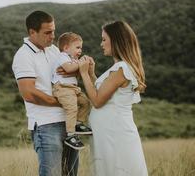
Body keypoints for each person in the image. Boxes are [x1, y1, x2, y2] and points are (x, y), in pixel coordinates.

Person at [12, 10, 79, 176]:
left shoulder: (54, 51)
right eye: (47, 32)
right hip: (47, 126)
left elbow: (68, 75)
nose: (52, 36)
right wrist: (63, 102)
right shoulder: (23, 56)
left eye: (54, 31)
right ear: (32, 32)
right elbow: (29, 93)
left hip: (68, 123)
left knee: (70, 174)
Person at [78, 21, 148, 176]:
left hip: (115, 135)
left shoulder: (121, 69)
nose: (101, 44)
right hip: (109, 133)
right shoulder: (119, 68)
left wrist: (83, 74)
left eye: (104, 39)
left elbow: (97, 101)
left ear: (116, 40)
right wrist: (91, 74)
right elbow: (105, 93)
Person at [52, 32, 92, 150]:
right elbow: (69, 69)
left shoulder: (73, 58)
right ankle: (70, 134)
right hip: (62, 88)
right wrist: (80, 64)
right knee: (72, 108)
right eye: (77, 47)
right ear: (66, 48)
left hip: (73, 88)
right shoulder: (63, 56)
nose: (80, 50)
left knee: (85, 102)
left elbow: (78, 73)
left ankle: (78, 123)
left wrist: (84, 65)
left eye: (81, 48)